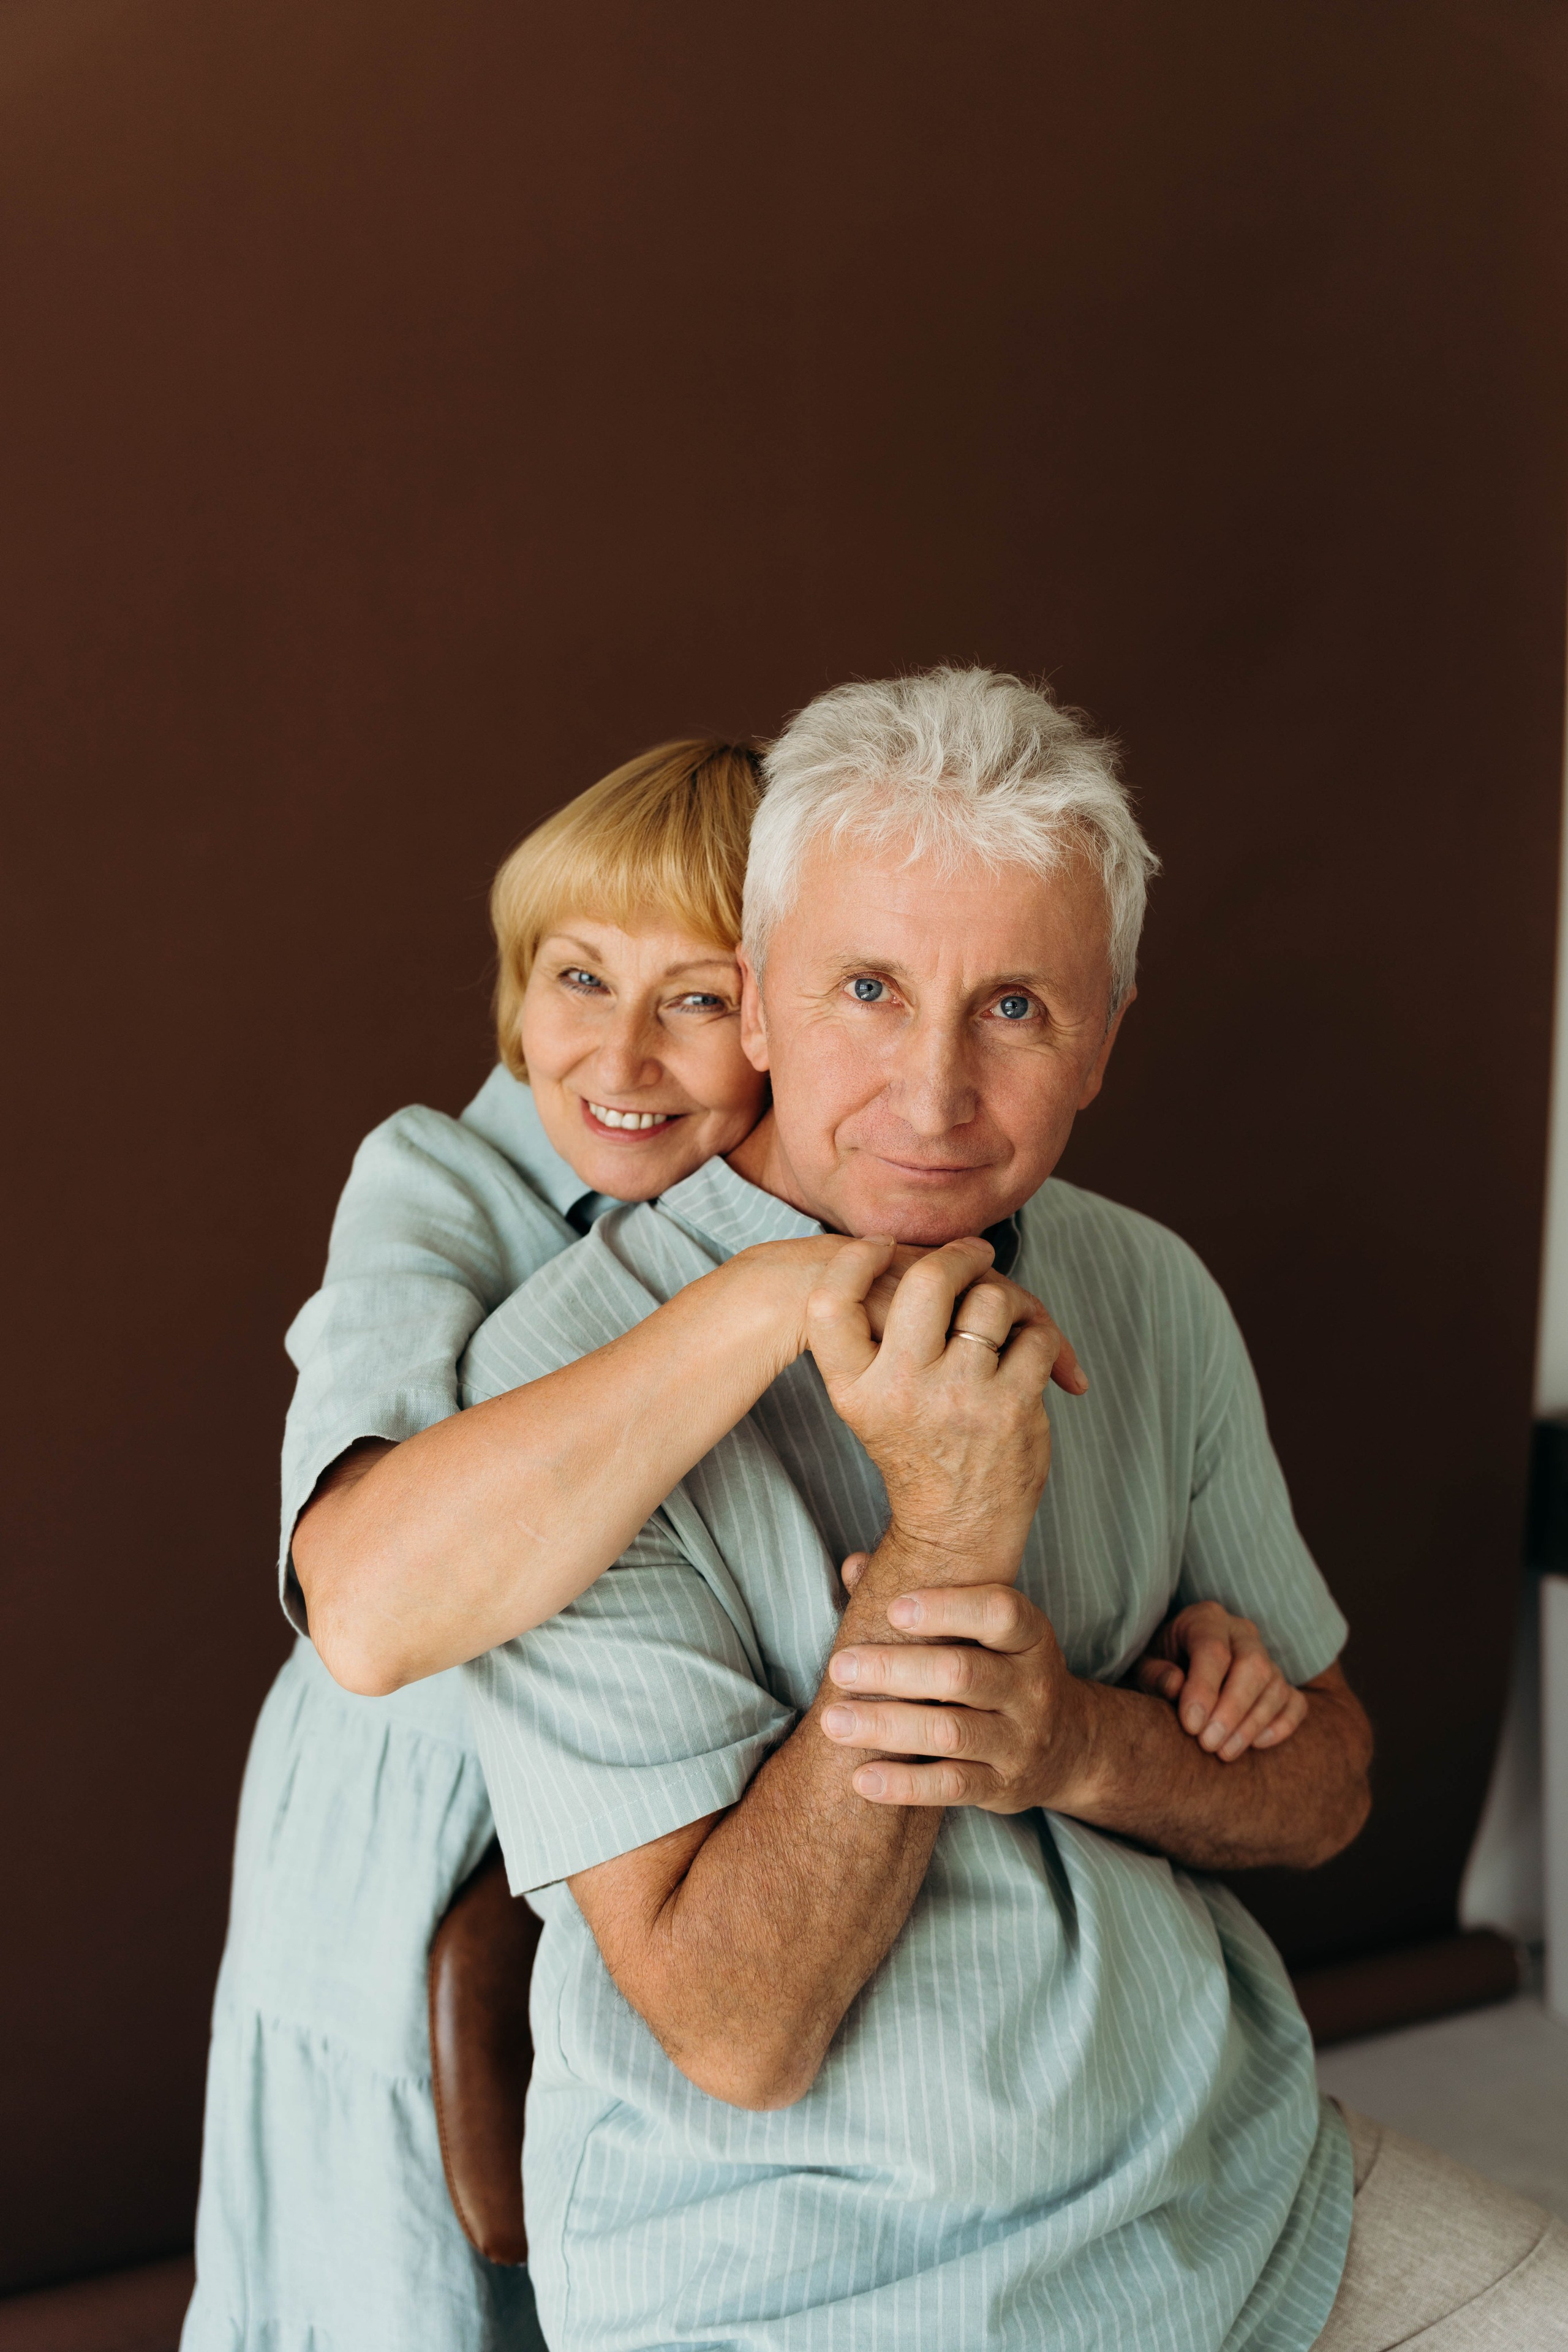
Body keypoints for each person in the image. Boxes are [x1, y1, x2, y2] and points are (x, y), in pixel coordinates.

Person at [458, 668, 1568, 2351]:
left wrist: (1079, 1745)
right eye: (870, 991)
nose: (933, 1094)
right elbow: (742, 2032)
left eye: (1017, 1012)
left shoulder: (1150, 1287)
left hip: (1236, 2203)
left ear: (1107, 1039)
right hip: (805, 2295)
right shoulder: (564, 1382)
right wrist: (953, 1536)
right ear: (756, 1003)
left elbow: (1329, 1781)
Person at [184, 733, 1289, 2352]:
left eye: (696, 997)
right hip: (414, 1820)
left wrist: (1196, 1639)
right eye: (575, 976)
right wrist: (763, 1295)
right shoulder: (445, 1186)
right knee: (385, 2280)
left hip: (681, 1821)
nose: (623, 1053)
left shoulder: (918, 1231)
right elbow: (367, 1612)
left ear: (774, 1018)